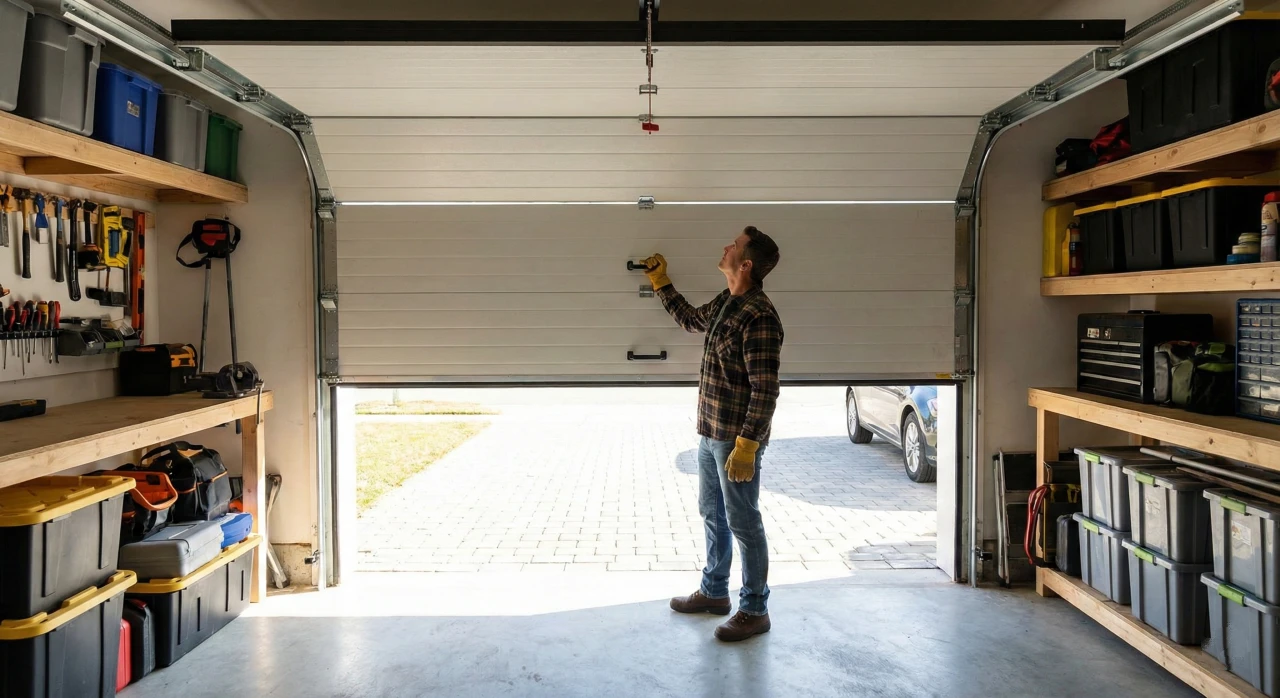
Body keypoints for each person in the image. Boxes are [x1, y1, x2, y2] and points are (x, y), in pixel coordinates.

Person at [642, 225, 783, 642]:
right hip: (709, 432)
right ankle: (714, 591)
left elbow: (765, 389)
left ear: (746, 263)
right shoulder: (728, 301)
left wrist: (748, 445)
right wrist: (661, 281)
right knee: (713, 514)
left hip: (735, 440)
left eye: (734, 245)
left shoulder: (759, 315)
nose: (726, 246)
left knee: (744, 522)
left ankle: (754, 609)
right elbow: (691, 319)